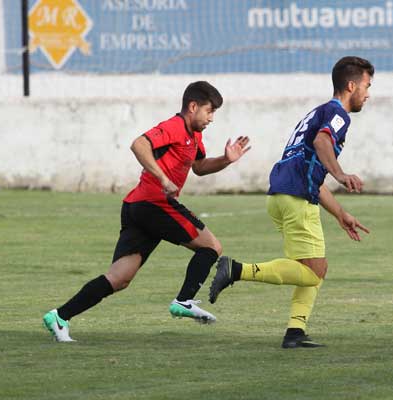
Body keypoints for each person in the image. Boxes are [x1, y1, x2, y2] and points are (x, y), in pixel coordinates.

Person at [43, 81, 251, 342]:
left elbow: (199, 167)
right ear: (193, 106)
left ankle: (60, 316)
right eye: (209, 111)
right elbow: (139, 144)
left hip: (137, 206)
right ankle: (184, 300)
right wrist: (163, 178)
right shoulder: (174, 126)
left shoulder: (194, 135)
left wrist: (226, 160)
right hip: (154, 203)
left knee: (119, 278)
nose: (211, 118)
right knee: (212, 247)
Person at [208, 56, 374, 348]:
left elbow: (312, 172)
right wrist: (340, 174)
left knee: (313, 267)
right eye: (366, 86)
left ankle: (295, 332)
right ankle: (235, 270)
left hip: (282, 194)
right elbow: (322, 143)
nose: (368, 93)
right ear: (351, 86)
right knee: (313, 271)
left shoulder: (317, 113)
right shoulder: (338, 114)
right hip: (296, 198)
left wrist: (340, 213)